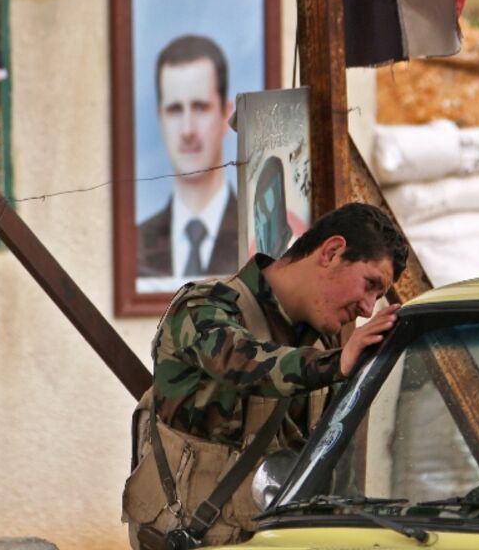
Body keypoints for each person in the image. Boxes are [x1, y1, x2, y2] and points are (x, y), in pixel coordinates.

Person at [124, 203, 409, 548]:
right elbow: (239, 362)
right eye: (370, 284)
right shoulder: (205, 306)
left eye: (378, 297)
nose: (367, 307)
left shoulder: (325, 341)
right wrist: (335, 364)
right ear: (332, 252)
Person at [137, 35, 239, 282]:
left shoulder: (256, 240)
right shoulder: (136, 245)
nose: (187, 130)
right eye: (175, 110)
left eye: (200, 107)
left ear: (226, 115)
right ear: (160, 118)